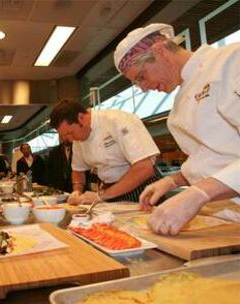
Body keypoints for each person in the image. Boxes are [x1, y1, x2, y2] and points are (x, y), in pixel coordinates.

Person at [114, 23, 240, 235]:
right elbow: (212, 160)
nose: (143, 88)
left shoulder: (230, 62)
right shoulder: (179, 105)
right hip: (226, 218)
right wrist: (173, 180)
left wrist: (200, 193)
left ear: (160, 51)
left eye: (141, 76)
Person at [50, 100, 162, 205]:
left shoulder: (118, 121)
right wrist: (77, 190)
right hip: (110, 191)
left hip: (142, 189)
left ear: (81, 118)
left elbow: (144, 168)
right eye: (65, 136)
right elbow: (78, 170)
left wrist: (101, 195)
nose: (70, 139)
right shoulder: (78, 138)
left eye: (71, 133)